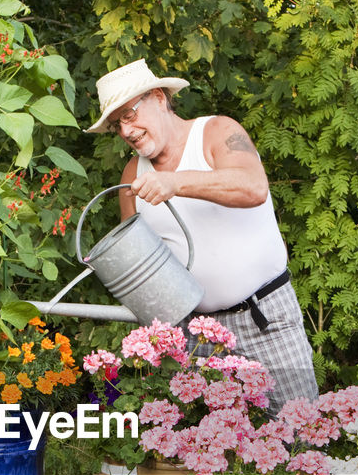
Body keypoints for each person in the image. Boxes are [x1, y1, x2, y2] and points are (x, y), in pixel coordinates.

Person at [85, 58, 319, 413]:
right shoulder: (132, 175)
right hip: (195, 337)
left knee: (302, 433)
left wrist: (176, 183)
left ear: (160, 98)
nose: (126, 131)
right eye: (117, 124)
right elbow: (139, 264)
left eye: (130, 115)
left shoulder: (216, 132)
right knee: (210, 454)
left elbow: (253, 187)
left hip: (265, 319)